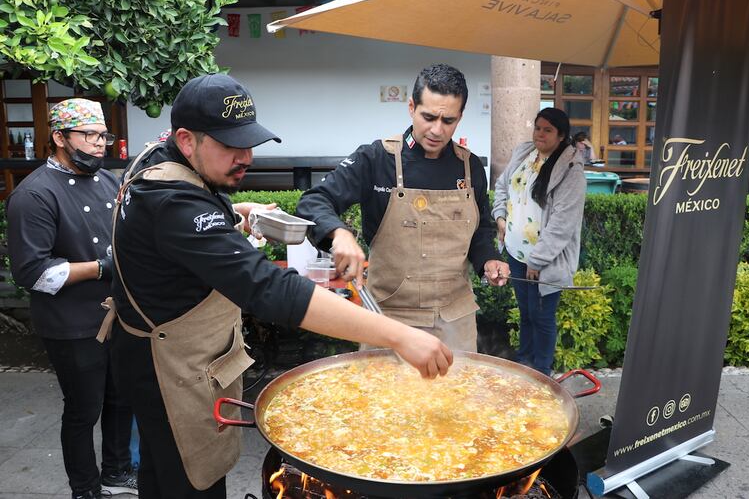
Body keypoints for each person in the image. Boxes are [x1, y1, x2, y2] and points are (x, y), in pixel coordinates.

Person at [102, 73, 452, 499]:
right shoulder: (173, 203)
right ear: (187, 140)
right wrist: (400, 336)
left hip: (145, 351)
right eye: (231, 146)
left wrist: (231, 211)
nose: (245, 156)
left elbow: (181, 221)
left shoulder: (159, 156)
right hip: (168, 369)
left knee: (163, 475)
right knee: (192, 483)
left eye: (249, 143)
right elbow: (270, 289)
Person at [296, 63, 509, 352]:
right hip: (389, 319)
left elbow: (481, 230)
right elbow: (313, 200)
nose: (437, 129)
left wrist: (489, 260)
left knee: (456, 395)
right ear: (411, 107)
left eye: (448, 121)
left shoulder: (469, 167)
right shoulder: (375, 158)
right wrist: (338, 233)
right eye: (429, 117)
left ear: (460, 117)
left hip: (455, 320)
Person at [6, 99, 137, 499]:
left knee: (122, 398)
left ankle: (116, 472)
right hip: (71, 322)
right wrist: (102, 267)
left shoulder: (109, 182)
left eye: (103, 136)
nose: (101, 145)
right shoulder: (33, 195)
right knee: (84, 409)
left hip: (118, 314)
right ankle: (85, 488)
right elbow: (33, 274)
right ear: (60, 138)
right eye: (90, 136)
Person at [492, 108, 586, 376]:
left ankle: (542, 373)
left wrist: (538, 260)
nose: (540, 134)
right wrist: (500, 217)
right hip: (515, 253)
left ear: (561, 136)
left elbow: (563, 224)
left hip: (545, 261)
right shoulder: (524, 154)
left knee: (542, 317)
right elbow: (502, 187)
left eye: (547, 130)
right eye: (537, 128)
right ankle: (525, 366)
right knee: (525, 313)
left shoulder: (570, 170)